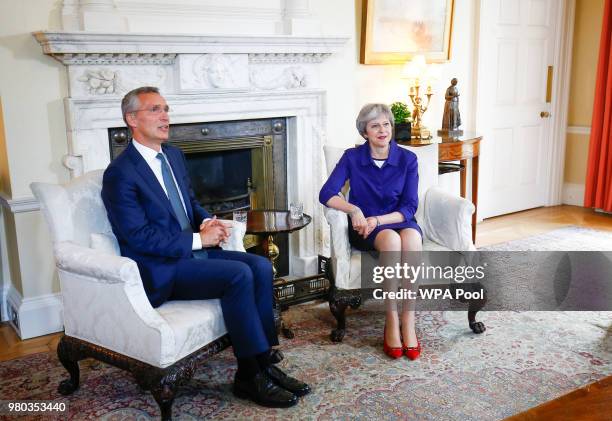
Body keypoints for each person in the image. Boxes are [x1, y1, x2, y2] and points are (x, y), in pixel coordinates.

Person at [102, 86, 309, 408]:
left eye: (166, 108)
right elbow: (138, 237)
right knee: (238, 275)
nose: (165, 116)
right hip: (160, 268)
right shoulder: (120, 174)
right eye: (155, 109)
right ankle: (250, 376)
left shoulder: (173, 155)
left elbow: (190, 203)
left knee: (259, 265)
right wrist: (200, 239)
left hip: (190, 251)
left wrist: (206, 221)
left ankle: (262, 363)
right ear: (131, 119)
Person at [319, 103, 423, 360]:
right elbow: (326, 193)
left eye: (386, 124)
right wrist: (354, 210)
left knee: (411, 237)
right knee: (390, 239)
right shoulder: (352, 158)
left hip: (395, 219)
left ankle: (408, 320)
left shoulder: (408, 159)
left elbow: (410, 207)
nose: (382, 130)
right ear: (364, 132)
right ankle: (390, 318)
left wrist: (379, 219)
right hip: (365, 227)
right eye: (375, 125)